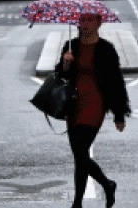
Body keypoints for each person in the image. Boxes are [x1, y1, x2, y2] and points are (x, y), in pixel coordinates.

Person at [55, 12, 129, 208]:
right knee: (80, 155)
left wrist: (119, 114)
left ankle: (77, 204)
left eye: (90, 20)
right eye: (82, 20)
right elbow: (60, 75)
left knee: (80, 153)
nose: (85, 24)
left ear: (99, 23)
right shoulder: (71, 46)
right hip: (74, 104)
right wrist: (65, 63)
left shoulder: (106, 49)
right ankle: (107, 184)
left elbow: (116, 82)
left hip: (95, 103)